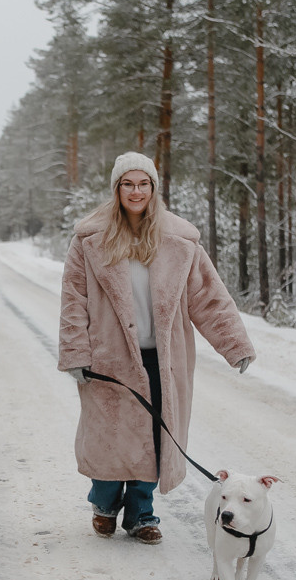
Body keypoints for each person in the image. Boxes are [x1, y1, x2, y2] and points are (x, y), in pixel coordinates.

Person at [58, 152, 254, 544]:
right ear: (117, 189)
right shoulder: (88, 241)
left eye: (143, 184)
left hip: (164, 359)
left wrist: (235, 345)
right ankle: (105, 503)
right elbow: (73, 300)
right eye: (128, 184)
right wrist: (76, 353)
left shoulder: (180, 242)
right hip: (108, 357)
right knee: (110, 438)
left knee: (155, 434)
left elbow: (209, 298)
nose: (136, 191)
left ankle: (142, 514)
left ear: (154, 189)